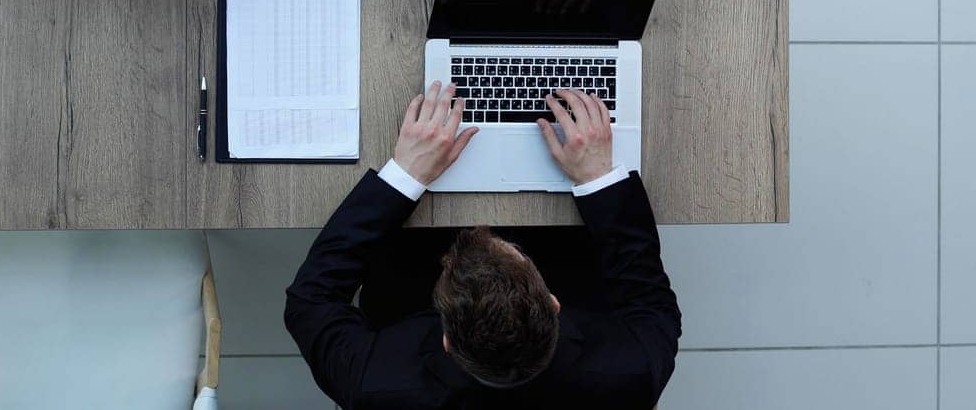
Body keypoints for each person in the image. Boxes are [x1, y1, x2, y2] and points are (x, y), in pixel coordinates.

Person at [284, 83, 680, 409]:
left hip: (405, 274)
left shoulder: (375, 385)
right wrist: (598, 176)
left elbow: (311, 298)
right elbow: (647, 296)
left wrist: (404, 176)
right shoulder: (631, 373)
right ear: (554, 304)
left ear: (446, 339)